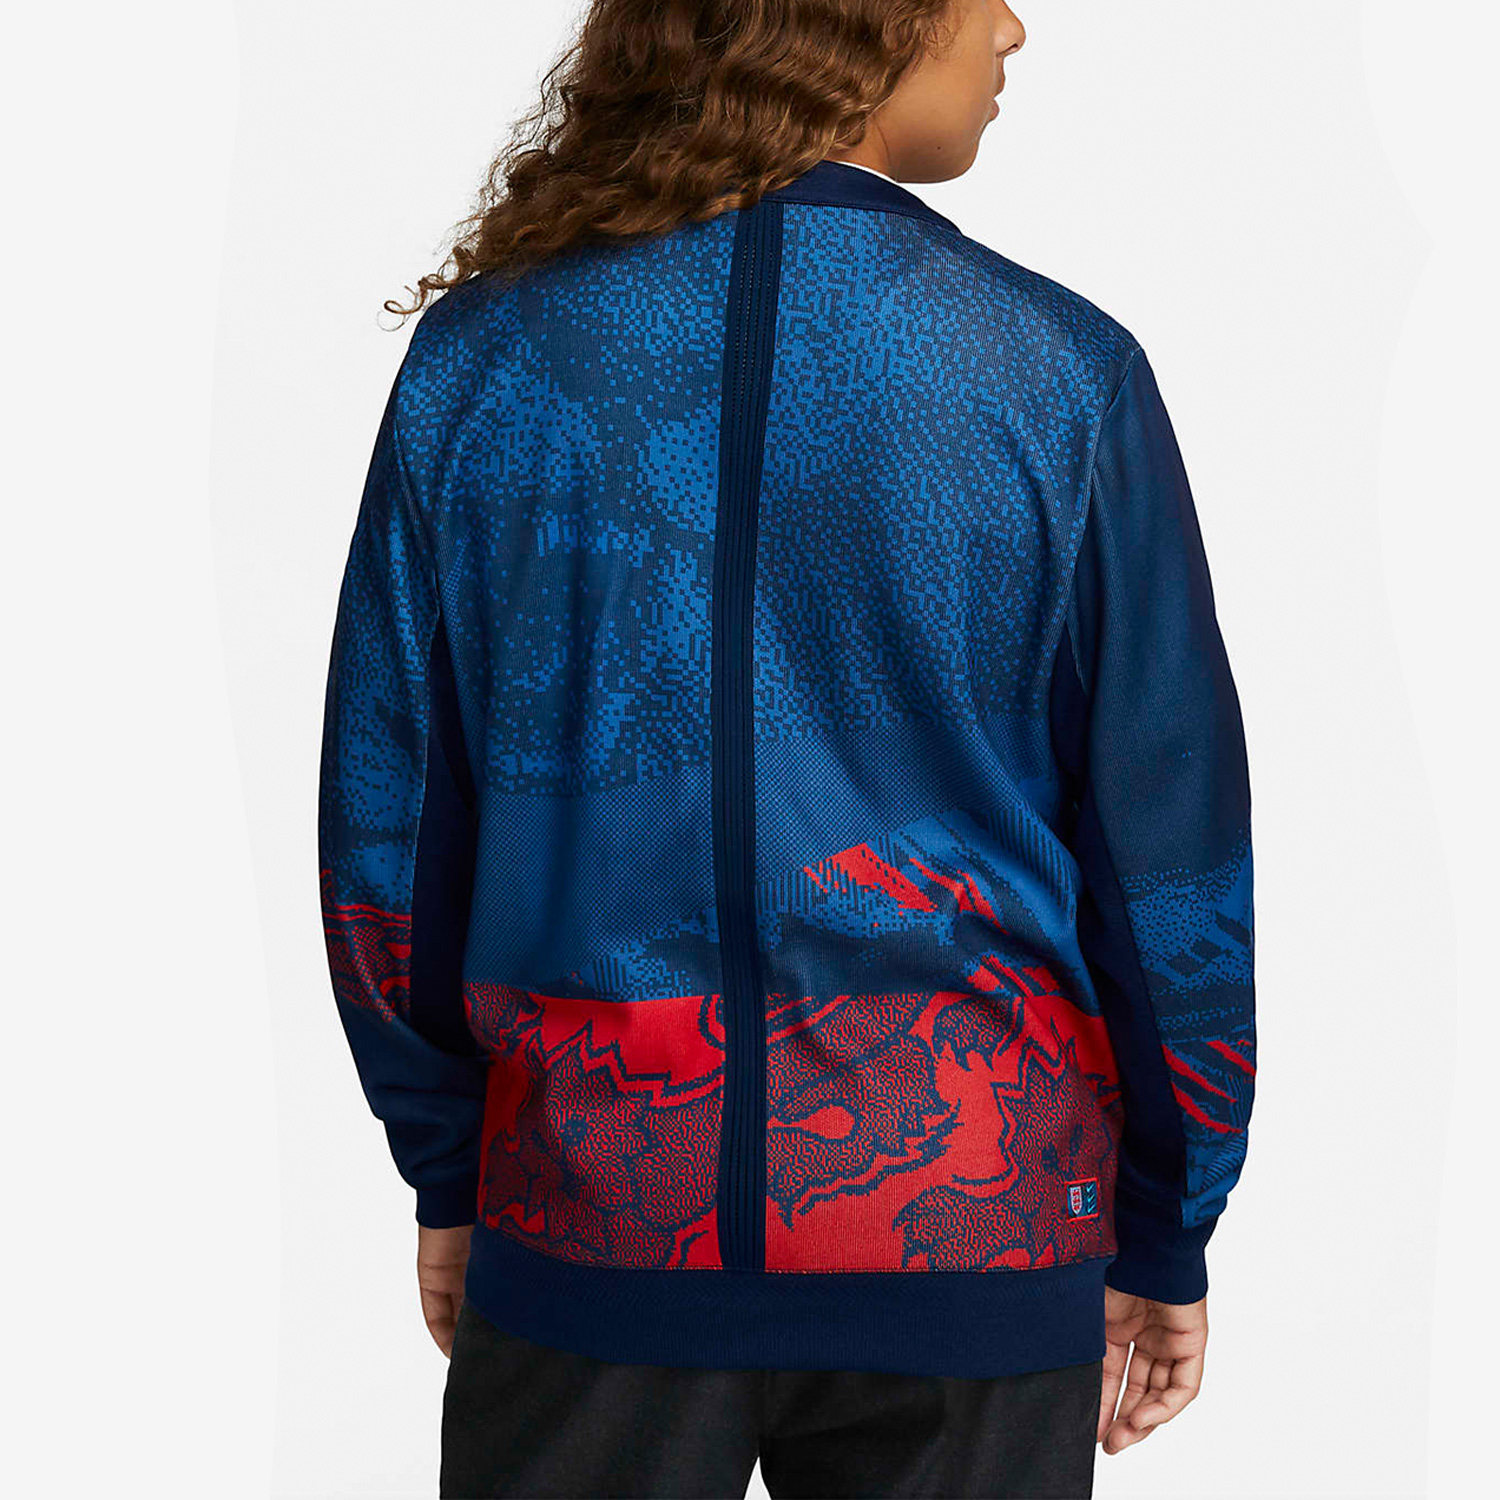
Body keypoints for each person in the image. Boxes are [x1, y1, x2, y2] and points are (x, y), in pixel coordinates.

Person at [316, 1, 1257, 1495]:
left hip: (596, 1211)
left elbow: (396, 817)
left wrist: (450, 1159)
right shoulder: (1056, 372)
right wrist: (1164, 1215)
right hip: (969, 1222)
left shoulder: (487, 364)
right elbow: (1166, 845)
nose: (1014, 27)